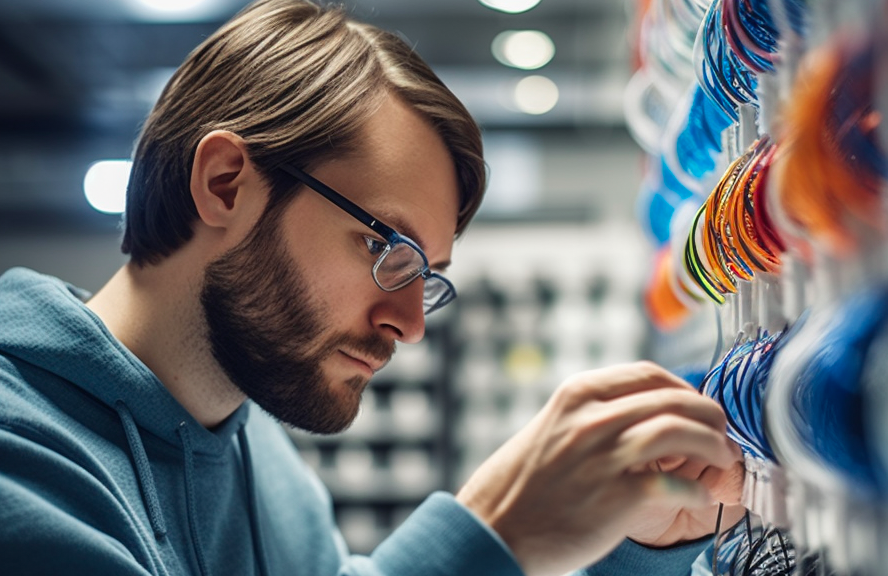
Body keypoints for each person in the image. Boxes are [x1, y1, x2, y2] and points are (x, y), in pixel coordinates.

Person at [0, 0, 745, 574]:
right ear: (225, 185)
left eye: (429, 278)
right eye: (387, 248)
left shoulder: (260, 455)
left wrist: (627, 543)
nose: (411, 324)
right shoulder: (21, 459)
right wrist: (493, 534)